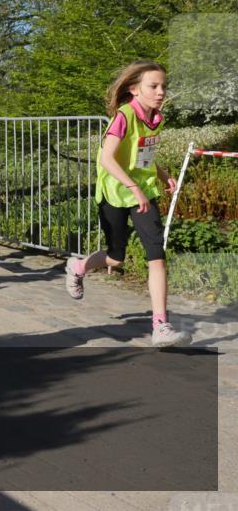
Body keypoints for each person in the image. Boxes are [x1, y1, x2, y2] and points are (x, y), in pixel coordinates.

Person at [64, 61, 191, 347]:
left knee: (156, 253)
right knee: (116, 257)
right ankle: (79, 266)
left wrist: (162, 175)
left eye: (163, 87)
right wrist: (133, 187)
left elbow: (142, 152)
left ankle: (161, 325)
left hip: (144, 192)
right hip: (115, 191)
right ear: (134, 89)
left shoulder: (156, 118)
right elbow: (108, 159)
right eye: (153, 86)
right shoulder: (123, 116)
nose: (161, 92)